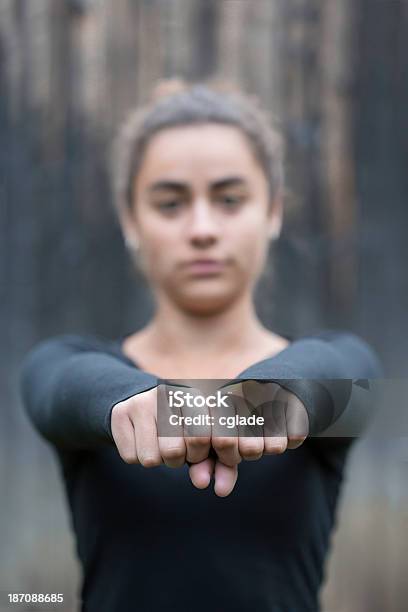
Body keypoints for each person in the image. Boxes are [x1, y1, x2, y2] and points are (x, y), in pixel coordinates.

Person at [19, 78, 383, 612]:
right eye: (170, 204)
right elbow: (56, 390)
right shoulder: (71, 367)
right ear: (130, 220)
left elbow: (345, 376)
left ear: (273, 211)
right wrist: (136, 402)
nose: (203, 229)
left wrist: (265, 396)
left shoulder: (333, 367)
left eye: (230, 199)